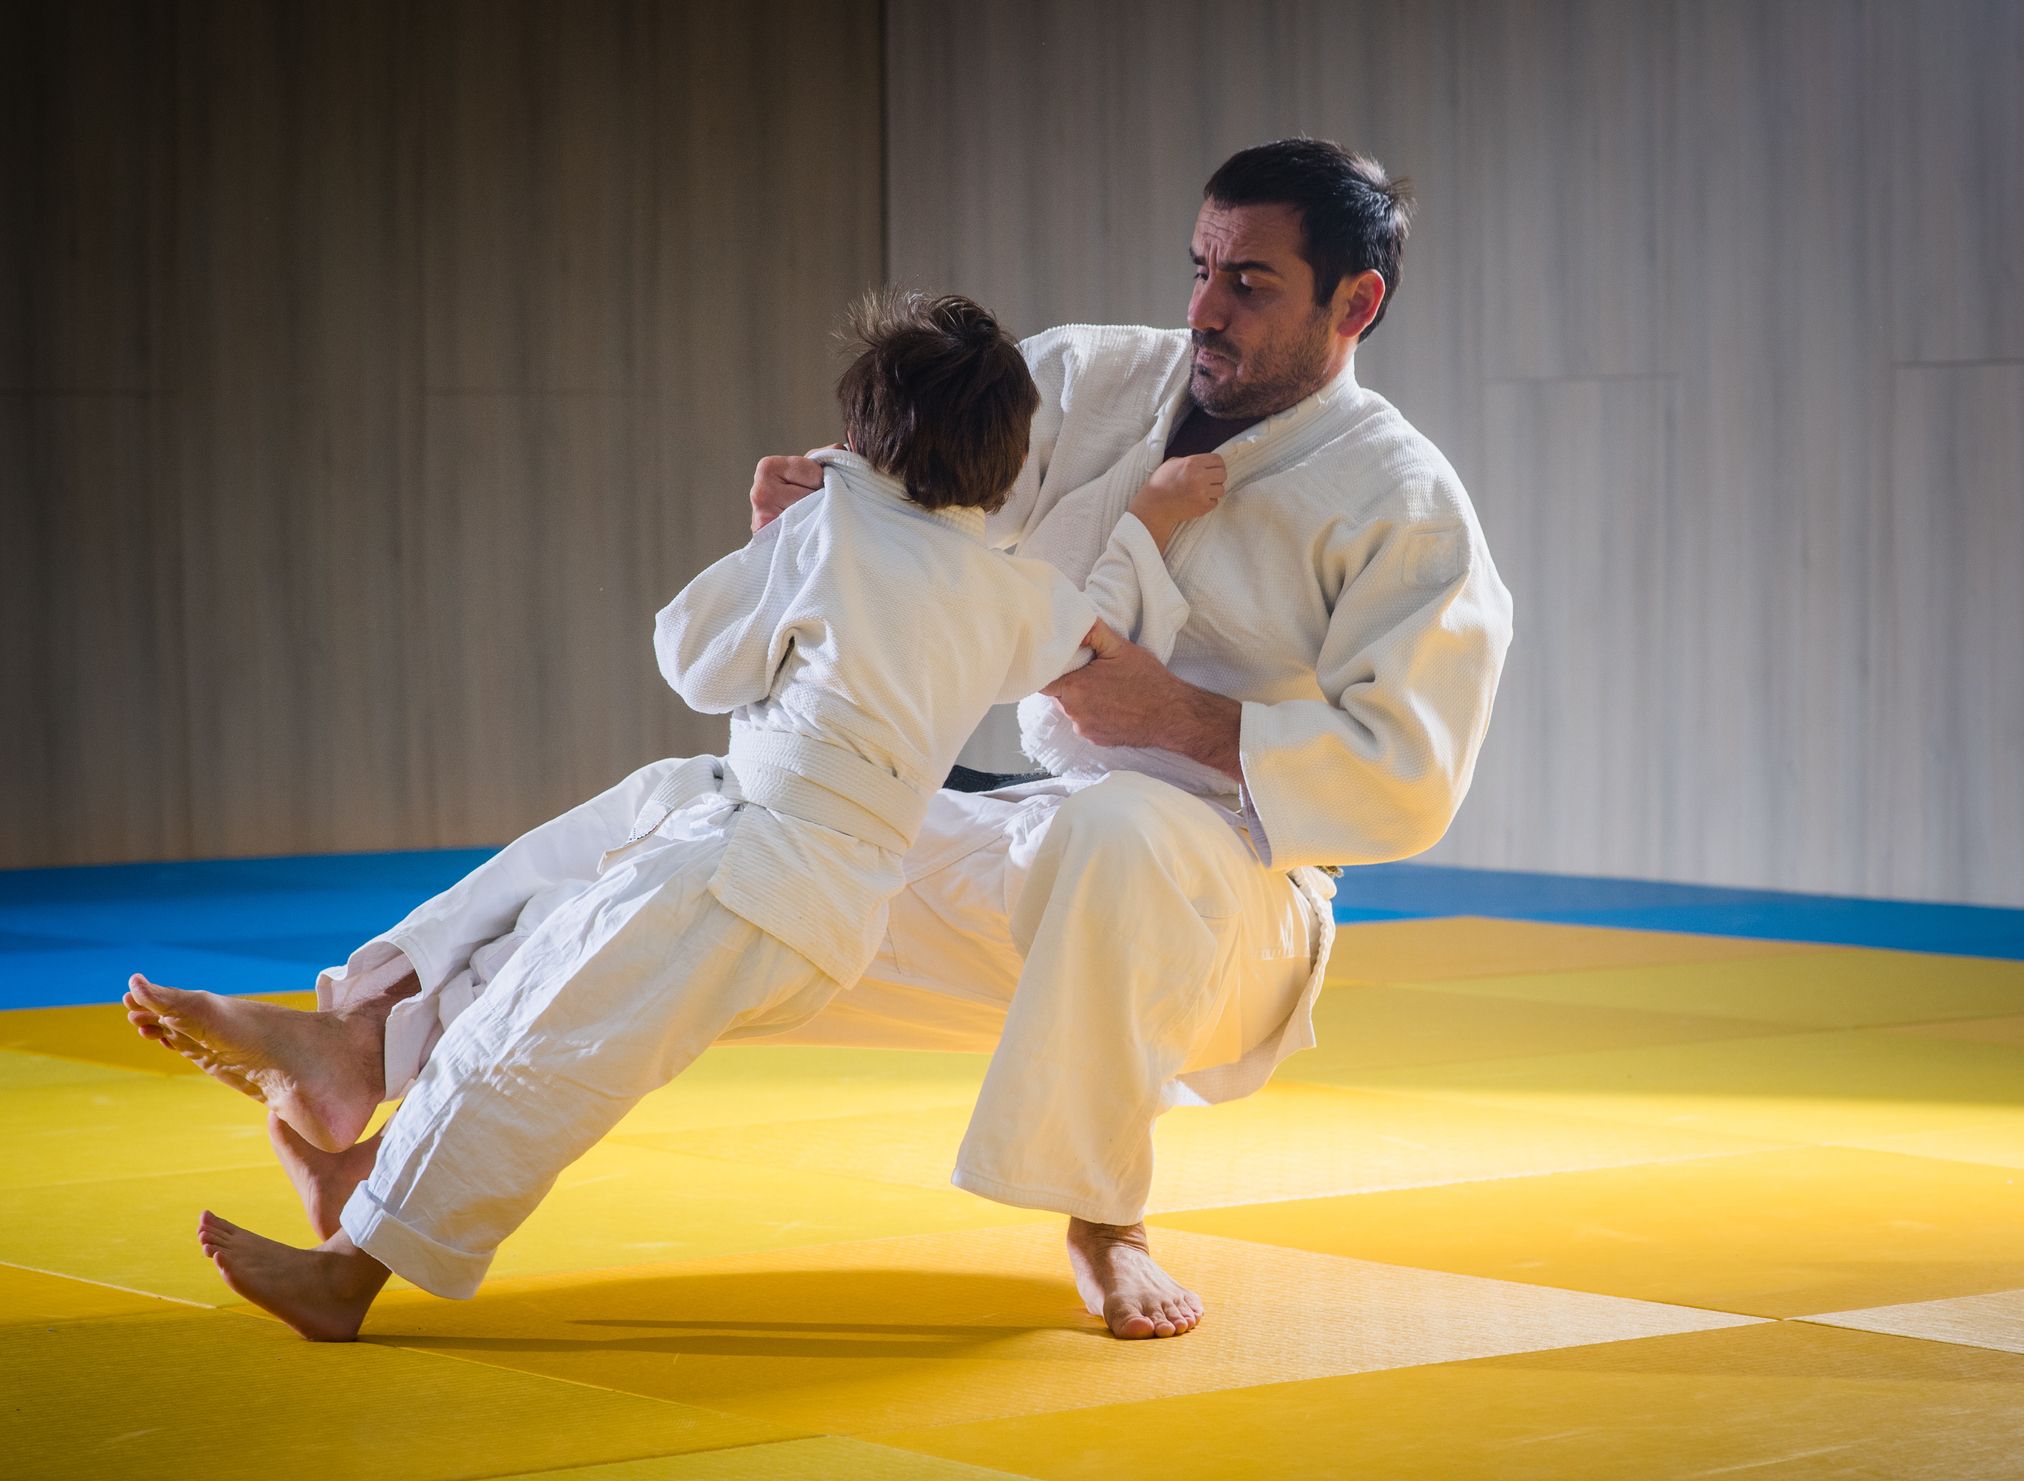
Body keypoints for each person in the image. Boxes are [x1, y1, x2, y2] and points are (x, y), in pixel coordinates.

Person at [127, 137, 1514, 1343]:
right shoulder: (1099, 377)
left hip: (1235, 903)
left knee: (1124, 825)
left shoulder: (1406, 505)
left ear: (1357, 303)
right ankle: (367, 1042)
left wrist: (1187, 721)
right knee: (699, 823)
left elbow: (1412, 778)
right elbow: (940, 488)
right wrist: (832, 512)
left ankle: (1104, 1213)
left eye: (1249, 283)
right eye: (1199, 266)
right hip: (1042, 840)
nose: (1204, 307)